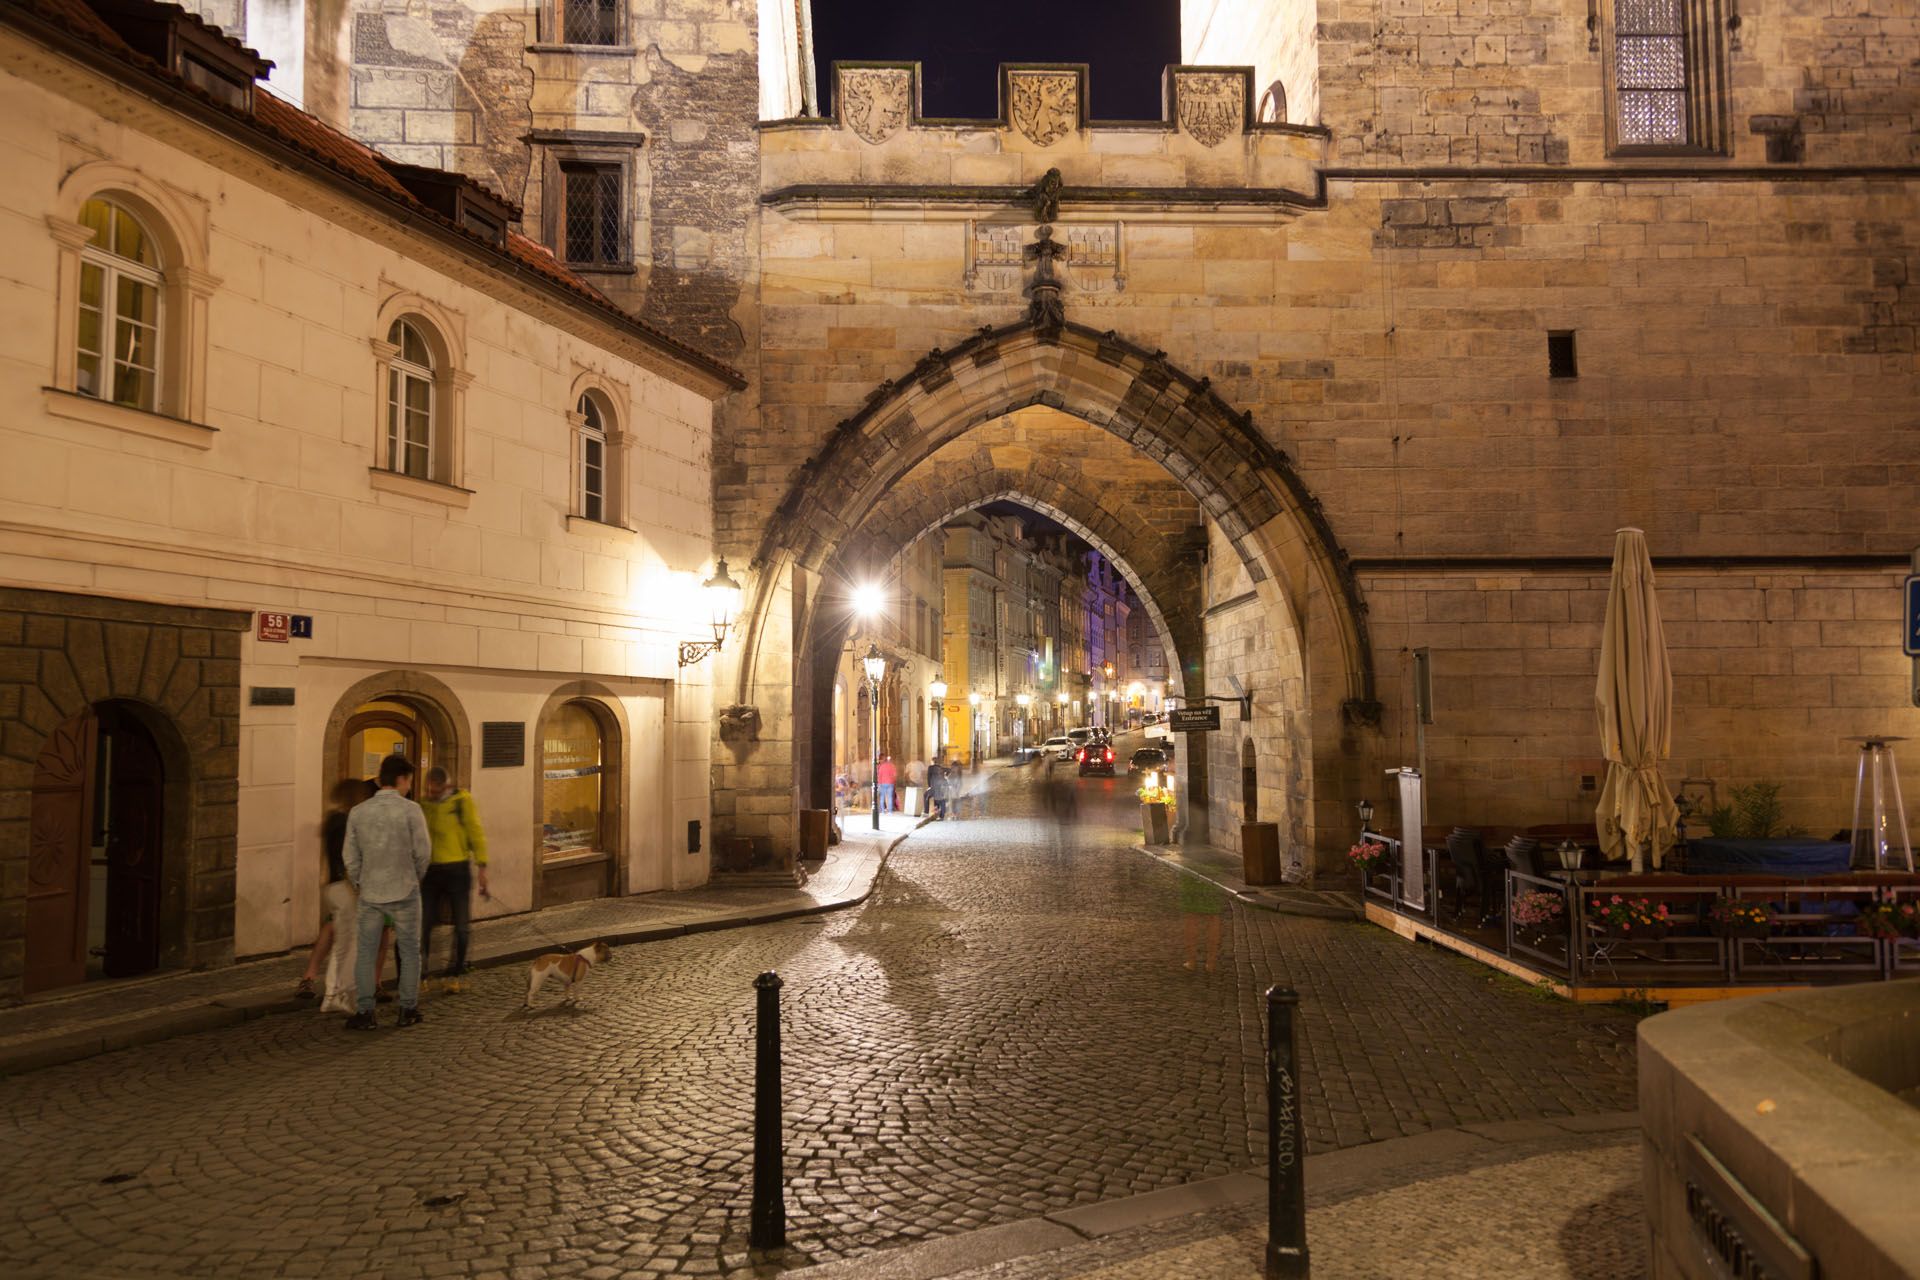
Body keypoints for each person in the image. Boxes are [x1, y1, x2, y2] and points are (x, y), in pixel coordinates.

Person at [342, 754, 432, 1029]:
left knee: (366, 953)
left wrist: (360, 882)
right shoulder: (411, 810)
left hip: (370, 892)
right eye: (409, 781)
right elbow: (423, 852)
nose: (409, 786)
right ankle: (407, 1009)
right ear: (403, 779)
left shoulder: (358, 812)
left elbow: (350, 856)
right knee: (409, 951)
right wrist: (413, 877)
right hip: (405, 890)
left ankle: (366, 1012)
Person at [300, 778, 373, 1005]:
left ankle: (318, 983)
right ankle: (336, 994)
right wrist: (357, 886)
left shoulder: (333, 820)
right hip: (344, 886)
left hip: (333, 885)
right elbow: (348, 858)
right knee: (345, 943)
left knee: (335, 933)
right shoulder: (345, 822)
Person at [419, 766, 489, 978]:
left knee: (460, 925)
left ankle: (458, 967)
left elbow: (475, 831)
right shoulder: (424, 805)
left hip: (457, 868)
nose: (431, 795)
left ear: (446, 786)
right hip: (431, 870)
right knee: (424, 922)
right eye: (428, 791)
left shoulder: (461, 802)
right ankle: (421, 969)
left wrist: (482, 866)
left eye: (435, 791)